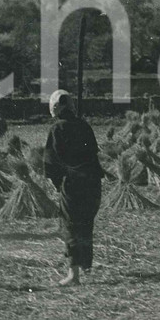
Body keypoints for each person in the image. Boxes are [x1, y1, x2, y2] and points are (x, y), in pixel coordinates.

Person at [43, 89, 103, 286]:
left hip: (73, 183)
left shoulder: (57, 129)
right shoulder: (84, 126)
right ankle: (84, 264)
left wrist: (57, 183)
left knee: (71, 226)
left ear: (55, 107)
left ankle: (73, 275)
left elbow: (50, 163)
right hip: (92, 182)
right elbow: (94, 153)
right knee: (86, 224)